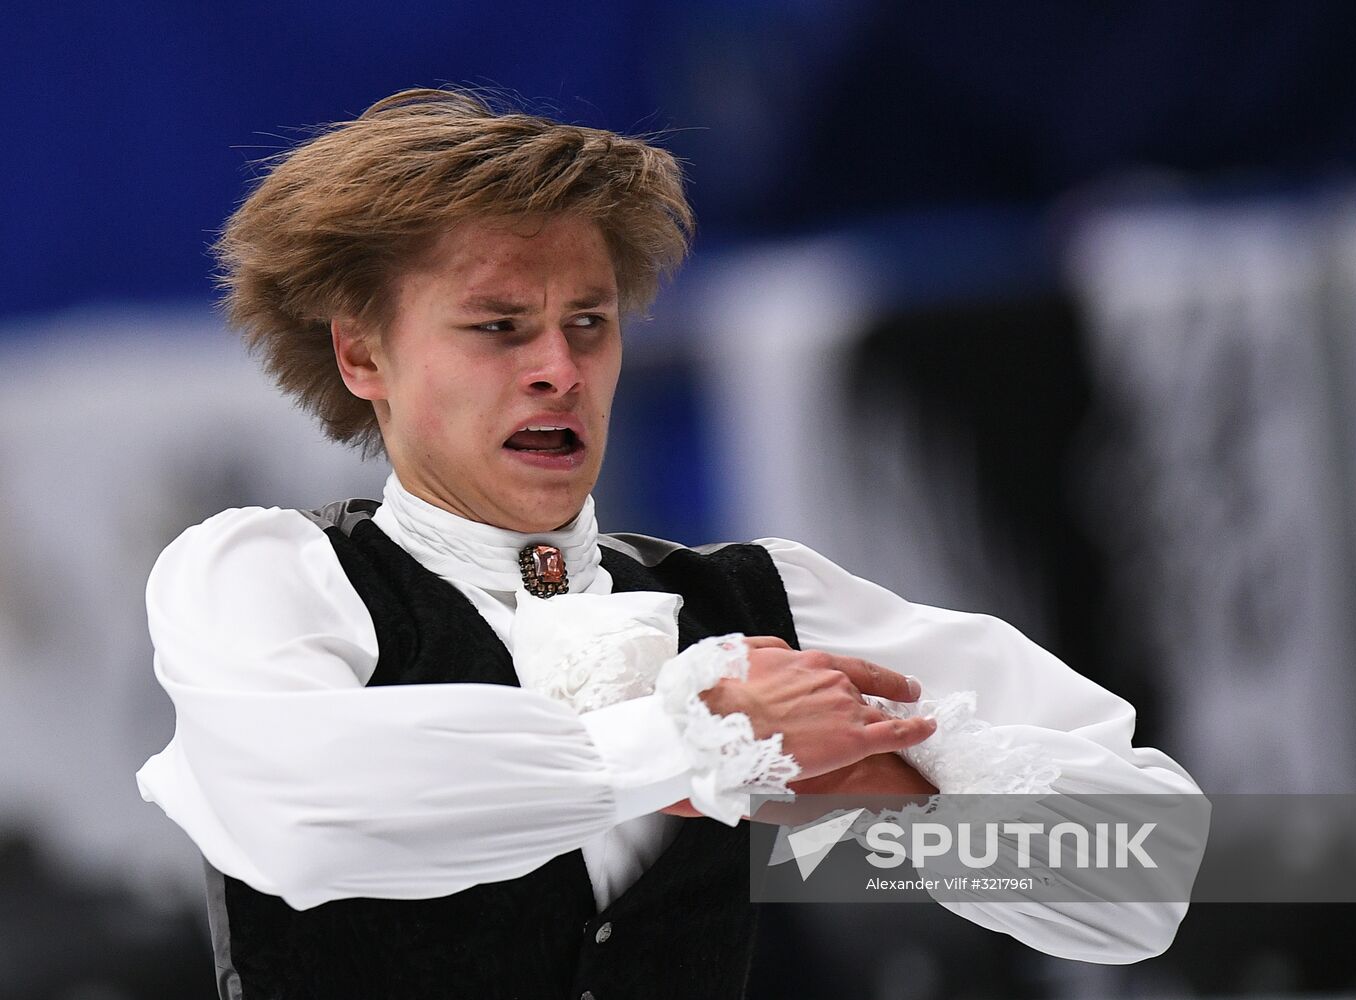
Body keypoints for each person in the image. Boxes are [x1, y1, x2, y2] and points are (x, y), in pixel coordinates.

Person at [137, 88, 1200, 1000]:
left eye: (589, 321)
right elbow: (311, 815)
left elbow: (1145, 874)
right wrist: (701, 736)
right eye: (498, 326)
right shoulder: (267, 578)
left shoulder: (770, 600)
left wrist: (886, 792)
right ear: (362, 354)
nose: (559, 366)